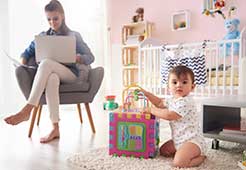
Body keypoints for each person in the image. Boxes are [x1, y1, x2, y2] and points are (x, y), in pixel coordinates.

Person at [4, 0, 94, 143]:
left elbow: (90, 57)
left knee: (46, 63)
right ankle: (55, 127)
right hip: (53, 74)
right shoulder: (43, 36)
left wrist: (79, 57)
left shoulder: (74, 35)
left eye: (55, 18)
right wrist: (22, 61)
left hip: (70, 75)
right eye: (49, 19)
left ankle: (27, 109)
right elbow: (26, 53)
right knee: (51, 78)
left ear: (62, 16)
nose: (52, 22)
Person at [141, 65, 206, 168]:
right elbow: (159, 103)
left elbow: (169, 115)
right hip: (179, 140)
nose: (179, 85)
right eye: (175, 82)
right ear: (168, 87)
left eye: (184, 82)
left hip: (192, 141)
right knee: (163, 151)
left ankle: (200, 157)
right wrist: (147, 94)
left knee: (179, 163)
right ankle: (182, 152)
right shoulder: (173, 100)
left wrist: (151, 110)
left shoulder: (186, 101)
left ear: (192, 87)